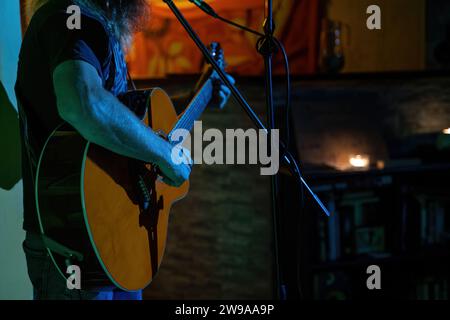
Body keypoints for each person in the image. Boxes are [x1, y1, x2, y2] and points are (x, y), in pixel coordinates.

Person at [15, 0, 234, 300]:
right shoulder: (67, 15)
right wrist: (165, 154)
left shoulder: (90, 24)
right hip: (73, 241)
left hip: (116, 238)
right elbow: (84, 103)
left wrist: (200, 94)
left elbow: (118, 121)